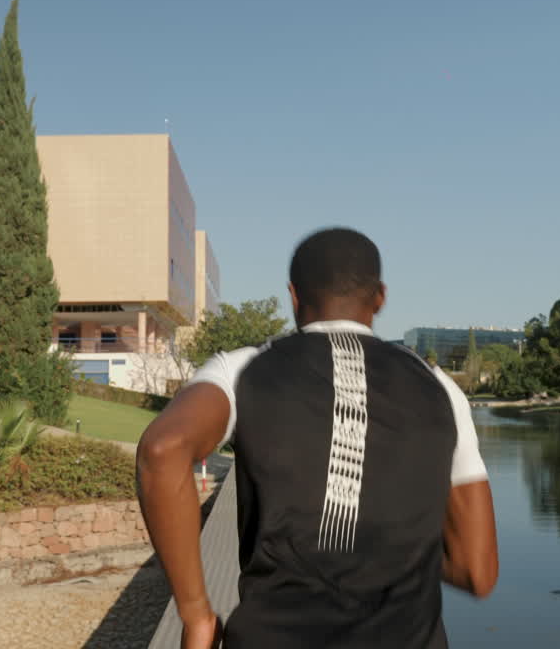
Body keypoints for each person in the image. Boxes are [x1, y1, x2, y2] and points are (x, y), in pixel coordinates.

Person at [137, 228, 499, 649]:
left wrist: (197, 613)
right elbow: (478, 571)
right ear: (380, 297)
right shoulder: (439, 387)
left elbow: (163, 451)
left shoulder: (243, 370)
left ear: (293, 295)